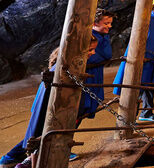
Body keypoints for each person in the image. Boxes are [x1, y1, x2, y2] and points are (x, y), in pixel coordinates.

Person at [0, 36, 99, 167]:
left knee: (39, 135)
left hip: (51, 110)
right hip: (49, 110)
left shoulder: (64, 67)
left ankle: (18, 159)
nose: (94, 53)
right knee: (39, 136)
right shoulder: (62, 71)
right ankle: (16, 160)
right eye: (90, 50)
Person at [112, 0, 154, 122]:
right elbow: (138, 40)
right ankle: (128, 119)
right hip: (142, 58)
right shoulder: (147, 20)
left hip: (152, 58)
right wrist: (139, 55)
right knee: (135, 86)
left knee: (147, 85)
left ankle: (146, 113)